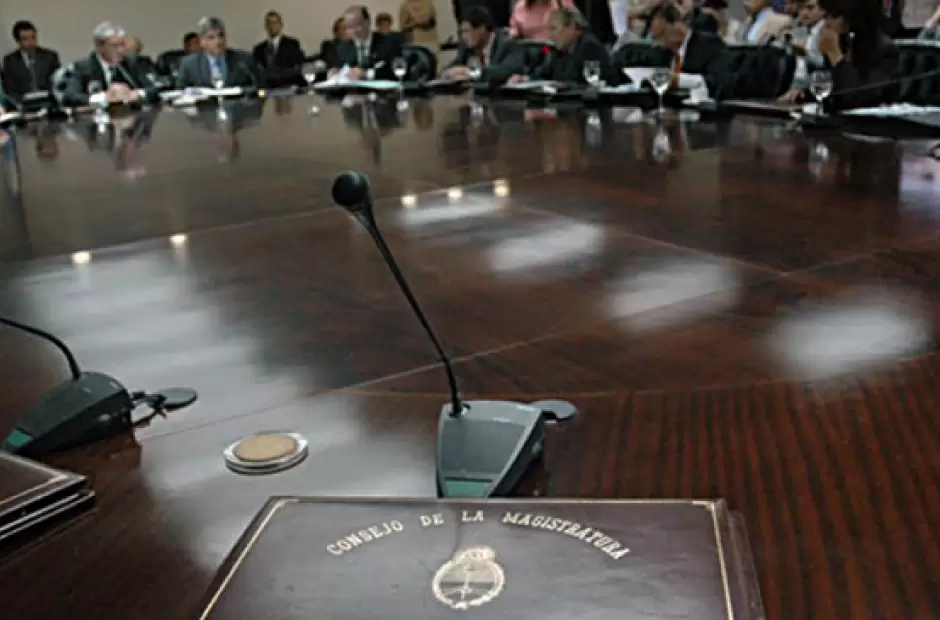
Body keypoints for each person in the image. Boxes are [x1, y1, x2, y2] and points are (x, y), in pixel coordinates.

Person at [509, 7, 618, 85]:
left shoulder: (589, 47)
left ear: (571, 27)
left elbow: (582, 82)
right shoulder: (556, 49)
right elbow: (546, 73)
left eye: (553, 29)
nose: (550, 35)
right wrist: (525, 79)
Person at [61, 21, 154, 106]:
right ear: (99, 46)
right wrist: (105, 97)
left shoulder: (130, 63)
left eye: (122, 45)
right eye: (114, 46)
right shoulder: (82, 68)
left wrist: (137, 94)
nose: (120, 50)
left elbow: (153, 89)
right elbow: (70, 97)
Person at [649, 1, 726, 90]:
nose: (660, 43)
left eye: (662, 34)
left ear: (679, 26)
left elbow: (717, 81)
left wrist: (679, 80)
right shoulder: (661, 52)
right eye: (655, 37)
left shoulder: (710, 45)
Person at [442, 6, 524, 84]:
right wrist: (449, 73)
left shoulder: (507, 43)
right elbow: (453, 66)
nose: (464, 37)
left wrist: (470, 73)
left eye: (467, 31)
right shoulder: (466, 46)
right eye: (462, 32)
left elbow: (504, 71)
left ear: (482, 29)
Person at [177, 16, 263, 88]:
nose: (218, 41)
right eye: (211, 38)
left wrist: (241, 91)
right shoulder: (189, 64)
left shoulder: (244, 60)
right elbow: (180, 92)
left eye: (221, 36)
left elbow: (260, 87)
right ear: (202, 41)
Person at [331, 5, 404, 80]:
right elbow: (340, 68)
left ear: (367, 22)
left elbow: (396, 72)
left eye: (357, 25)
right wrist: (334, 73)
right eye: (349, 27)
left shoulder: (389, 43)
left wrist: (367, 74)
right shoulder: (344, 47)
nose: (353, 31)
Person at [1, 20, 61, 99]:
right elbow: (9, 89)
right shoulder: (10, 60)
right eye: (25, 39)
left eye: (33, 38)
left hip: (48, 100)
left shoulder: (50, 56)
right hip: (23, 102)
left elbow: (58, 82)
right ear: (18, 41)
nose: (31, 42)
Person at [252, 11, 305, 86]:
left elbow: (296, 68)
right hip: (267, 88)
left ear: (281, 25)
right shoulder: (258, 49)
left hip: (287, 86)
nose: (272, 26)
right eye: (269, 23)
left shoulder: (292, 44)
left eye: (275, 22)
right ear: (266, 26)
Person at [510, 0, 578, 40]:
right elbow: (514, 28)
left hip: (552, 49)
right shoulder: (521, 6)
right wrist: (515, 32)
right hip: (528, 51)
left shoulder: (562, 3)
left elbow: (576, 25)